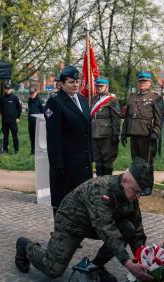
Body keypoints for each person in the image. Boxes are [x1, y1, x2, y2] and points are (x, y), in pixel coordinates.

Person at [15, 158, 154, 282]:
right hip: (71, 223)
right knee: (53, 269)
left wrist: (144, 261)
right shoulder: (100, 190)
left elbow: (137, 230)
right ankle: (25, 246)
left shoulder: (131, 196)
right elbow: (106, 228)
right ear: (124, 181)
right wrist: (128, 263)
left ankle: (95, 267)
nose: (138, 197)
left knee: (128, 228)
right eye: (136, 191)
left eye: (140, 193)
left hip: (93, 225)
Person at [44, 65, 93, 216]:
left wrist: (91, 157)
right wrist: (57, 165)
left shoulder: (83, 100)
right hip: (66, 164)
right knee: (64, 203)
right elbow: (53, 137)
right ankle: (62, 236)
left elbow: (87, 131)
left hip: (82, 163)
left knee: (81, 203)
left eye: (77, 82)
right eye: (71, 82)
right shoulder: (55, 102)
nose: (75, 85)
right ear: (62, 83)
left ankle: (77, 233)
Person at [121, 72, 164, 196]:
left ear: (150, 83)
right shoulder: (132, 97)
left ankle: (147, 186)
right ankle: (138, 185)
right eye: (140, 81)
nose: (142, 84)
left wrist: (156, 132)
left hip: (147, 134)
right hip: (134, 133)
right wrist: (124, 132)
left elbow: (159, 118)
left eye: (145, 81)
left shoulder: (155, 97)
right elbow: (128, 117)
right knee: (136, 162)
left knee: (147, 162)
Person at [90, 77, 121, 176]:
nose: (98, 88)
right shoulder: (94, 99)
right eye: (97, 86)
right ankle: (100, 182)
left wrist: (115, 134)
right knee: (97, 159)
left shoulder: (112, 99)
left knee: (107, 159)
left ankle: (107, 183)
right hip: (94, 133)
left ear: (107, 87)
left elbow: (116, 118)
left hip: (106, 134)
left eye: (101, 86)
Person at [0, 83, 22, 154]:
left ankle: (16, 150)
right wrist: (1, 115)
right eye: (6, 89)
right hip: (5, 121)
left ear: (11, 89)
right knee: (5, 136)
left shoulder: (15, 98)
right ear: (5, 89)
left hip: (13, 121)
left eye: (9, 89)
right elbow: (0, 108)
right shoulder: (2, 98)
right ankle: (5, 149)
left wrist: (18, 117)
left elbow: (19, 108)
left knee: (14, 136)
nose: (7, 90)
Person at [27, 87, 44, 154]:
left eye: (33, 93)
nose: (31, 94)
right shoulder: (29, 100)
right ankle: (33, 150)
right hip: (30, 122)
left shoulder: (39, 100)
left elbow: (43, 111)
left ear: (36, 93)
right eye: (30, 93)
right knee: (32, 137)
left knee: (38, 137)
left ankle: (39, 150)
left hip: (38, 122)